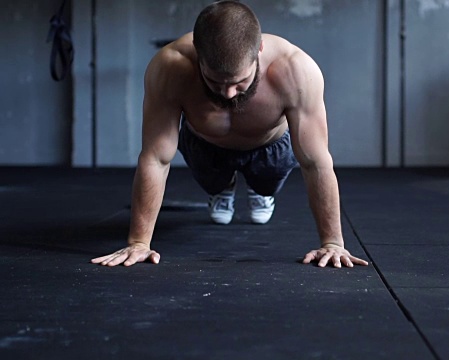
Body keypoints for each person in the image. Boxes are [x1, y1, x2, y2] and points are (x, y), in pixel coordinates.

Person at [91, 1, 368, 269]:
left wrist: (333, 242)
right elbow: (155, 158)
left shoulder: (296, 70)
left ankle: (261, 192)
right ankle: (222, 188)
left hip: (270, 146)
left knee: (265, 185)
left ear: (258, 49)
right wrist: (139, 242)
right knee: (213, 182)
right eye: (214, 82)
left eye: (239, 82)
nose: (227, 94)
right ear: (199, 55)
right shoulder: (170, 67)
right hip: (204, 144)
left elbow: (315, 162)